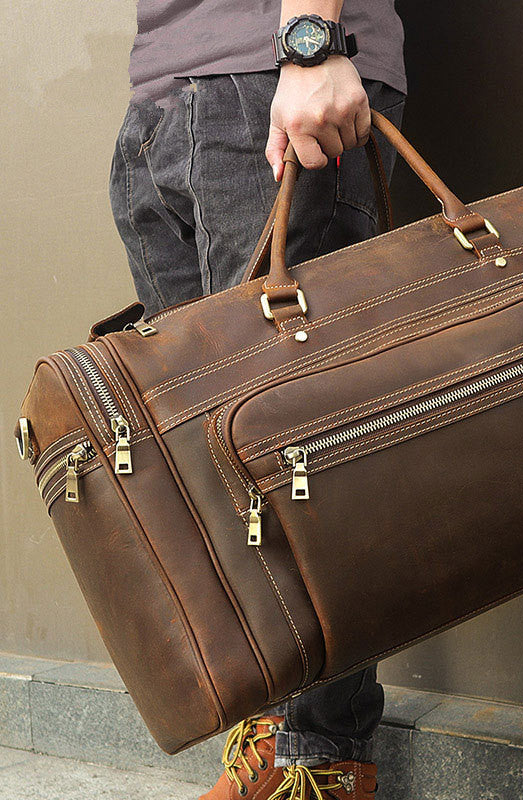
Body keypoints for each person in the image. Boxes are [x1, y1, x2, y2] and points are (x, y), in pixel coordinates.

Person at [108, 2, 405, 798]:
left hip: (269, 77)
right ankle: (272, 741)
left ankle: (319, 762)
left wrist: (310, 42)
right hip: (167, 91)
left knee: (300, 449)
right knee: (209, 461)